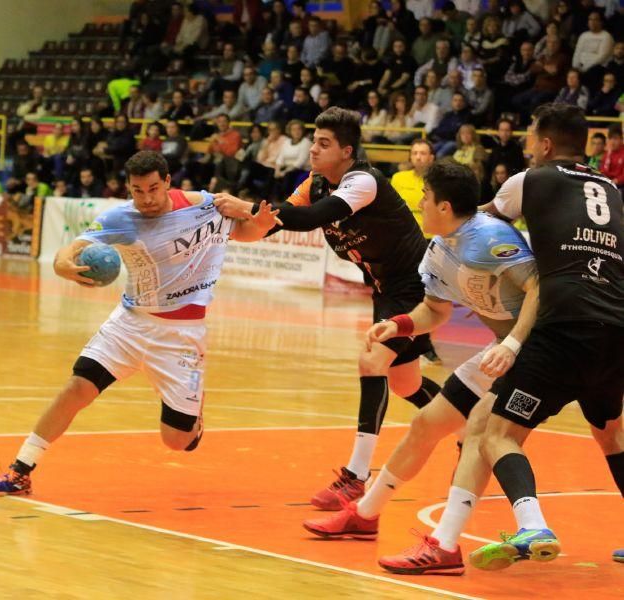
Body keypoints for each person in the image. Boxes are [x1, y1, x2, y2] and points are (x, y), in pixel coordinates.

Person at [0, 151, 281, 496]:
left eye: (153, 188)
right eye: (138, 190)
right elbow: (71, 250)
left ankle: (194, 414)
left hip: (182, 336)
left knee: (178, 442)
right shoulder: (121, 218)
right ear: (128, 188)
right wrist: (62, 265)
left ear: (167, 182)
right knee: (77, 388)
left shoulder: (205, 207)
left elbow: (245, 233)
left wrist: (260, 221)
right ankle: (20, 471)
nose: (146, 198)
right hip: (130, 324)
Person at [303, 162, 541, 577]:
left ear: (444, 206)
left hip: (537, 349)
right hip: (500, 351)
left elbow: (541, 288)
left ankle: (446, 545)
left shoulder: (489, 237)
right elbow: (434, 310)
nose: (418, 204)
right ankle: (365, 513)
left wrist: (514, 342)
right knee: (426, 424)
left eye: (425, 198)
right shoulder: (438, 250)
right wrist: (399, 324)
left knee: (483, 436)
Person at [213, 108, 441, 509]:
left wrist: (246, 206)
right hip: (384, 289)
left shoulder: (363, 181)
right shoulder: (314, 184)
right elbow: (276, 221)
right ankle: (470, 422)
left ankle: (356, 476)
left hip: (416, 284)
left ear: (347, 151)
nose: (314, 150)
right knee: (405, 384)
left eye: (324, 144)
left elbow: (312, 219)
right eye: (314, 142)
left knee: (372, 362)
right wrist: (219, 227)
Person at [472, 104, 623, 570]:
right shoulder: (613, 189)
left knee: (497, 435)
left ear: (545, 144)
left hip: (563, 327)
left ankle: (532, 524)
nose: (525, 146)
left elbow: (478, 224)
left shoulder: (529, 179)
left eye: (529, 138)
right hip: (617, 329)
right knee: (611, 436)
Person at [390, 139, 435, 235]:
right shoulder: (398, 177)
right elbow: (390, 207)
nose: (418, 157)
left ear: (431, 158)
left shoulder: (438, 180)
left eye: (423, 153)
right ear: (410, 157)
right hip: (404, 233)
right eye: (415, 153)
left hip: (431, 234)